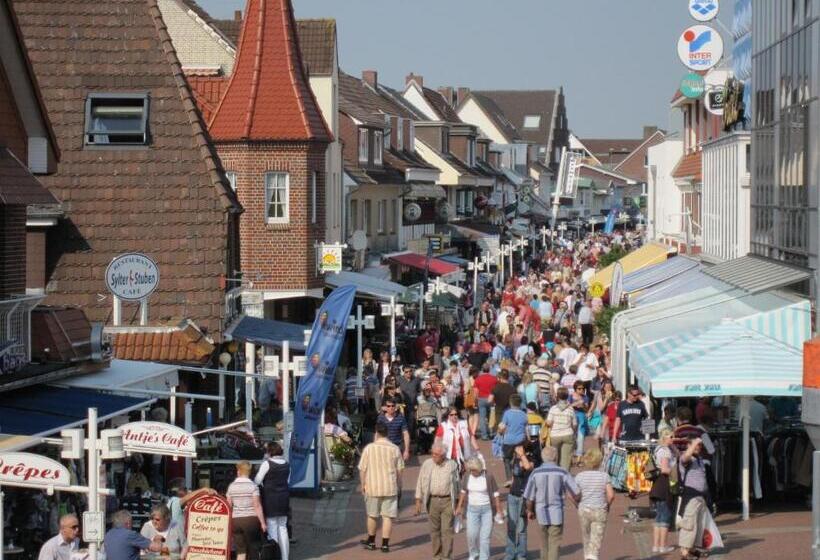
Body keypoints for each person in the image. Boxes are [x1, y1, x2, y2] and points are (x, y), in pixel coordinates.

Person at [524, 446, 581, 560]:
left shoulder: (535, 472)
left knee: (543, 544)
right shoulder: (562, 472)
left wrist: (529, 510)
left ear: (542, 457)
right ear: (556, 457)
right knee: (554, 543)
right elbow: (576, 492)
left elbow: (529, 497)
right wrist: (577, 501)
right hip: (556, 513)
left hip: (540, 512)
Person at [358, 422, 404, 553]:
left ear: (376, 433)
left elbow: (362, 469)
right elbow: (400, 469)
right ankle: (385, 544)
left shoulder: (369, 448)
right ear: (387, 433)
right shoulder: (394, 448)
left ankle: (371, 541)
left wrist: (363, 485)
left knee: (372, 515)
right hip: (389, 487)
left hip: (373, 486)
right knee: (387, 517)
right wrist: (399, 484)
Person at [415, 444, 460, 560]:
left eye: (436, 455)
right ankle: (436, 556)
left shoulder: (452, 465)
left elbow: (457, 484)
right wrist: (418, 500)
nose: (433, 456)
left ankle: (446, 556)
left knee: (447, 530)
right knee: (434, 531)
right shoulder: (427, 464)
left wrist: (459, 504)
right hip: (432, 501)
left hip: (447, 501)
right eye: (432, 453)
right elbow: (420, 482)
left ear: (443, 455)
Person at [455, 456, 503, 560]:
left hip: (487, 510)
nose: (472, 472)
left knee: (485, 538)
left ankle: (484, 557)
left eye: (474, 470)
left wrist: (499, 509)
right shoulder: (467, 476)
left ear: (479, 468)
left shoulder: (488, 476)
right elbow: (463, 492)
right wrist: (459, 507)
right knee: (471, 535)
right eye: (470, 470)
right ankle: (473, 553)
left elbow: (495, 493)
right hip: (472, 510)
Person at [573, 448, 614, 560]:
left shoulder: (579, 476)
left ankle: (587, 556)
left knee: (586, 535)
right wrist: (607, 505)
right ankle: (593, 556)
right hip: (599, 509)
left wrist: (576, 504)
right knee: (596, 538)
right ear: (599, 461)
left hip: (584, 508)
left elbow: (571, 494)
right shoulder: (604, 476)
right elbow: (611, 495)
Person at [505, 438, 540, 560]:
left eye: (519, 448)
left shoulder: (531, 460)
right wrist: (511, 484)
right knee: (511, 526)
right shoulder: (515, 460)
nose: (516, 450)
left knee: (521, 528)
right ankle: (509, 554)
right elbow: (515, 476)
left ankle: (521, 554)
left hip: (523, 497)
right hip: (512, 495)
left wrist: (522, 455)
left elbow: (528, 468)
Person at [254, 442, 290, 560]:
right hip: (284, 498)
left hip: (270, 499)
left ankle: (274, 556)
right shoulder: (287, 464)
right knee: (283, 528)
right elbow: (288, 480)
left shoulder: (267, 464)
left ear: (269, 452)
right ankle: (284, 557)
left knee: (272, 528)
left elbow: (257, 481)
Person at [226, 461, 266, 560]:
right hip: (251, 521)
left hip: (236, 521)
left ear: (238, 472)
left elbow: (228, 506)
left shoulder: (231, 487)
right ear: (249, 472)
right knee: (254, 549)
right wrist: (262, 523)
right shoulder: (253, 486)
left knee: (241, 551)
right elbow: (257, 506)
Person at [677, 438, 710, 560]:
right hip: (691, 496)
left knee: (698, 524)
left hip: (700, 496)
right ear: (689, 445)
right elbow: (684, 458)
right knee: (689, 523)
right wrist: (694, 443)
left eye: (700, 445)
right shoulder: (687, 458)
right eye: (696, 445)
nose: (698, 447)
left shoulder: (699, 459)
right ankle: (684, 552)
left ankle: (692, 549)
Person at [650, 430, 677, 555]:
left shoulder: (659, 448)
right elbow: (665, 469)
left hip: (657, 485)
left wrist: (672, 446)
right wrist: (675, 472)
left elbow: (679, 455)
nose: (673, 438)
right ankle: (663, 545)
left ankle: (656, 545)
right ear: (664, 437)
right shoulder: (665, 451)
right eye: (671, 436)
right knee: (665, 517)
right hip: (665, 484)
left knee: (659, 517)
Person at [499, 393, 528, 483]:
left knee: (507, 459)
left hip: (508, 440)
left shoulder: (507, 413)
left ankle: (509, 479)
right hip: (520, 440)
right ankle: (519, 475)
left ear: (510, 403)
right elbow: (527, 428)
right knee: (520, 457)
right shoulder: (524, 414)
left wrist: (500, 433)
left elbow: (502, 427)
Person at [546, 387, 577, 471]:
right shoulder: (571, 409)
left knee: (554, 458)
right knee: (566, 460)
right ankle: (564, 477)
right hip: (568, 434)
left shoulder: (553, 408)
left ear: (557, 396)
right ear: (567, 396)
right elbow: (574, 424)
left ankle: (555, 475)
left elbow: (548, 422)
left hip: (555, 435)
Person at [377, 397, 411, 461]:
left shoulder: (401, 417)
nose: (391, 407)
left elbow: (406, 434)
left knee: (397, 469)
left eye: (393, 406)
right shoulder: (381, 418)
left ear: (395, 407)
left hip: (396, 447)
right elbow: (377, 433)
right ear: (385, 407)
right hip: (384, 447)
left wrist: (406, 450)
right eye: (388, 406)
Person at [474, 366, 497, 440]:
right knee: (492, 417)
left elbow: (476, 392)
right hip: (491, 398)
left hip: (481, 399)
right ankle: (492, 433)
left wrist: (475, 401)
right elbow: (496, 389)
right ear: (489, 369)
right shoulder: (494, 378)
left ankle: (484, 435)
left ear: (482, 370)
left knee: (482, 417)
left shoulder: (478, 379)